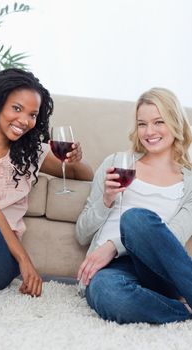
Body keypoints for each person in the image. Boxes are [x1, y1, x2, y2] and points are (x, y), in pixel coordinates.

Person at [0, 68, 93, 309]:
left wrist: (76, 160)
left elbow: (82, 175)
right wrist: (26, 258)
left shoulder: (33, 153)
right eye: (17, 108)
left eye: (33, 114)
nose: (24, 120)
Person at [76, 87, 192, 324]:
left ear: (176, 124)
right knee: (109, 295)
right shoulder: (116, 164)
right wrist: (106, 200)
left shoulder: (189, 183)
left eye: (159, 122)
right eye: (142, 124)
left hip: (158, 271)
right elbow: (81, 234)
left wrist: (114, 245)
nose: (149, 132)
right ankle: (183, 313)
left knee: (135, 218)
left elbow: (174, 237)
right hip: (111, 270)